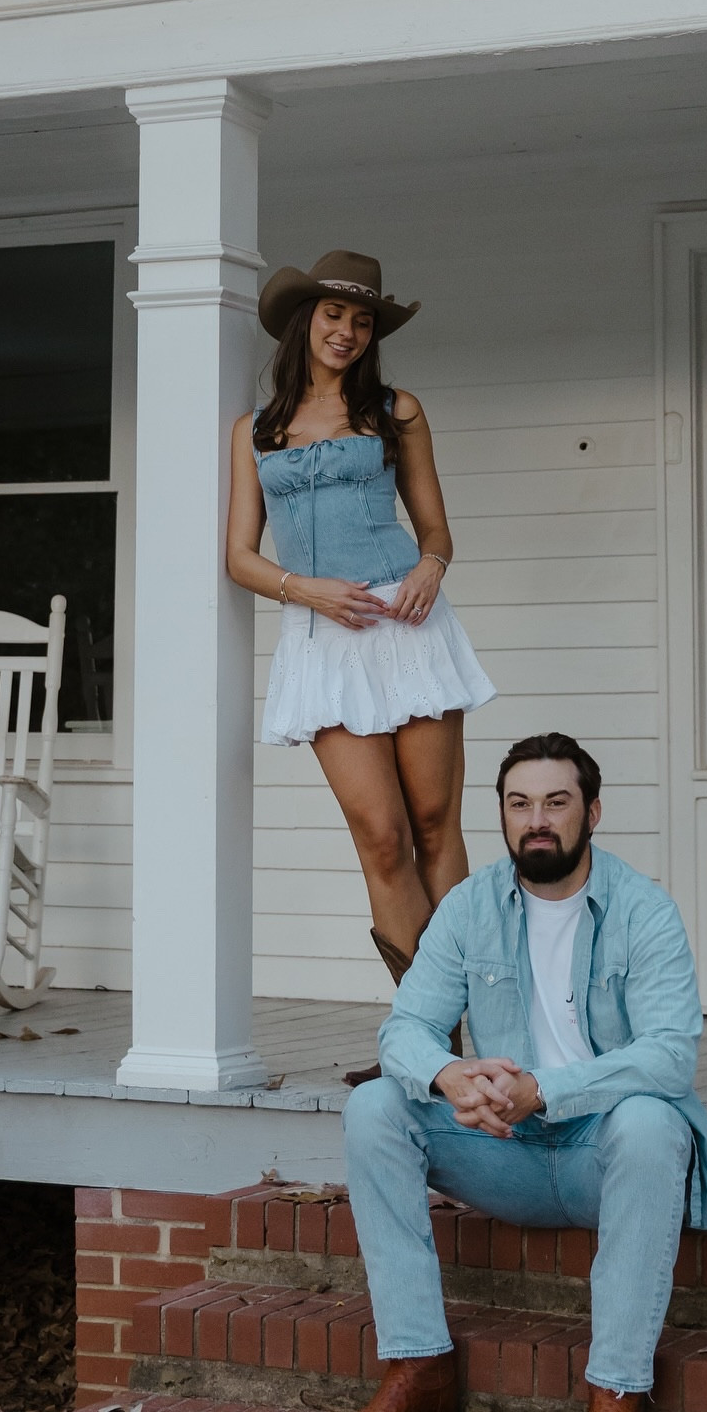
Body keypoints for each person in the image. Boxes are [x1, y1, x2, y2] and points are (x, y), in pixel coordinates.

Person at [334, 731, 707, 1412]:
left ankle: (617, 1389)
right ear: (503, 816)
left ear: (593, 811)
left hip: (599, 1154)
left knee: (653, 1120)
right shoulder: (468, 907)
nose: (537, 819)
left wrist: (546, 1089)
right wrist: (453, 1075)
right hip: (499, 1148)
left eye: (556, 801)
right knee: (376, 1107)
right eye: (520, 804)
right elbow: (404, 1031)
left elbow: (671, 1055)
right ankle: (418, 1366)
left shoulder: (644, 910)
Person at [227, 250, 495, 1082]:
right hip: (326, 644)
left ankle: (469, 1028)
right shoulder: (257, 431)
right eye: (333, 315)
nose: (346, 331)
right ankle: (423, 1037)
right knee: (379, 837)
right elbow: (238, 555)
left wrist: (428, 569)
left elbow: (437, 532)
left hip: (407, 630)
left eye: (362, 320)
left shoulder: (395, 410)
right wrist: (302, 588)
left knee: (432, 824)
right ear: (305, 320)